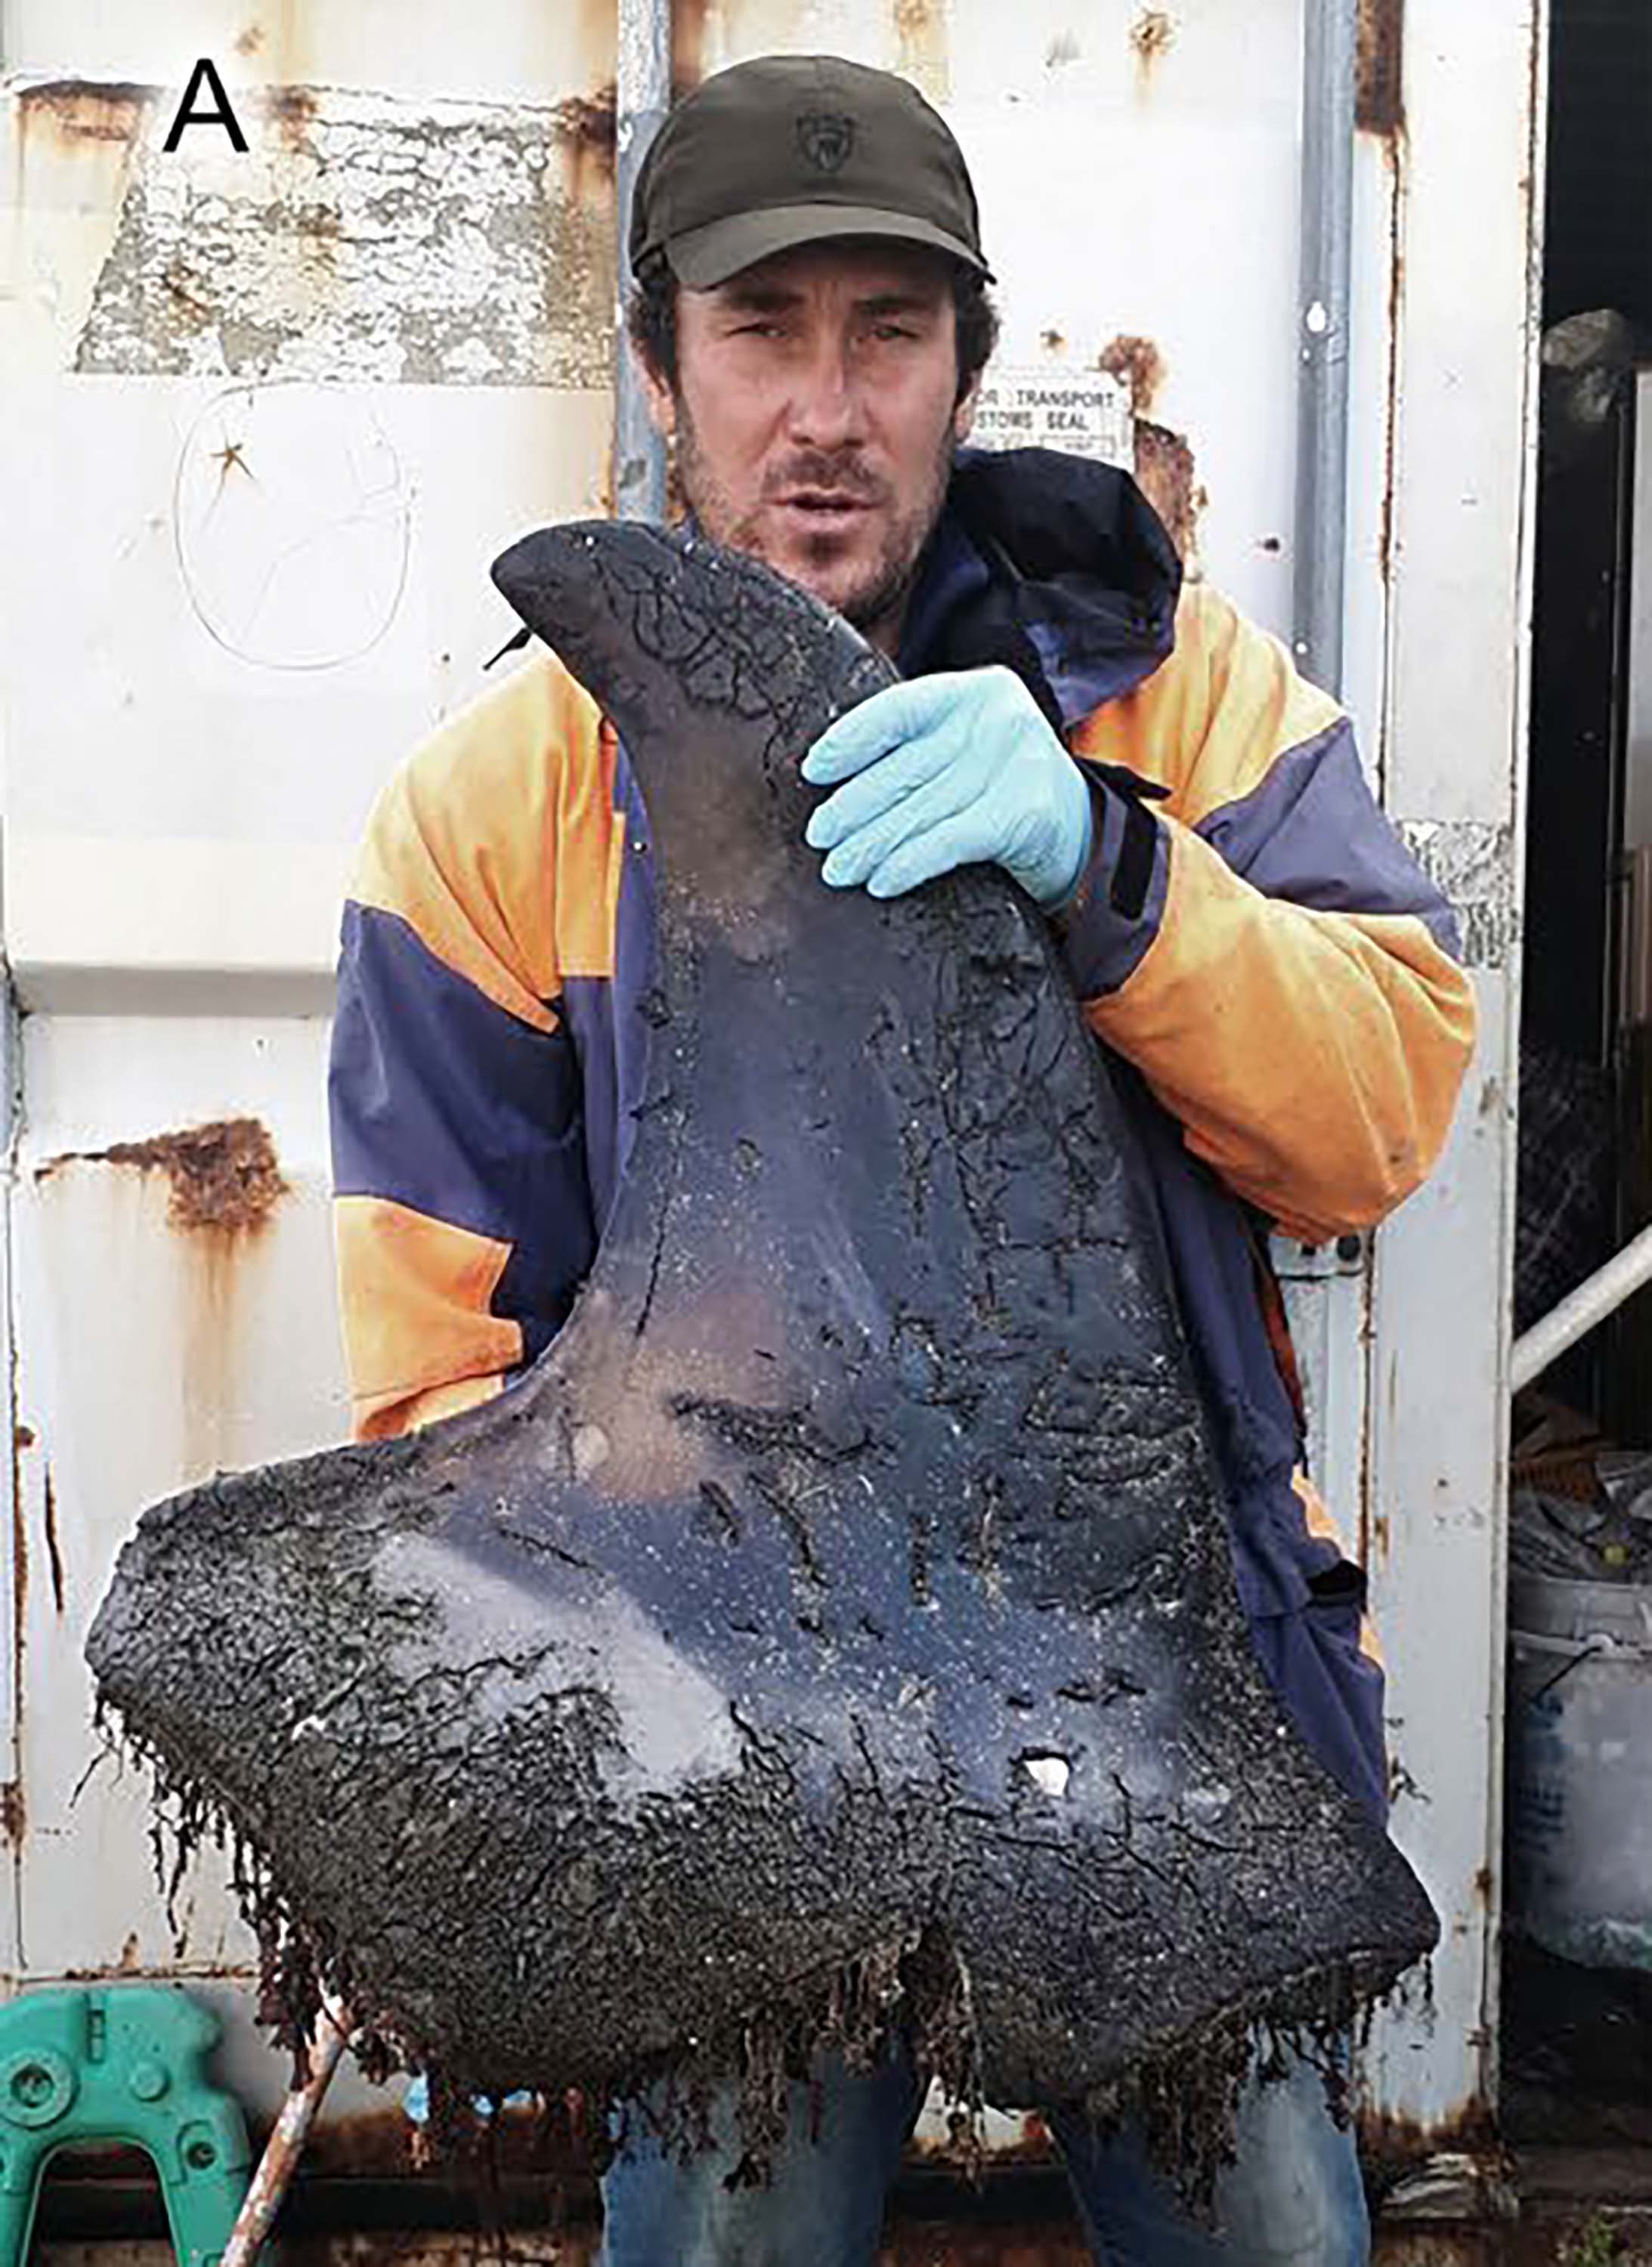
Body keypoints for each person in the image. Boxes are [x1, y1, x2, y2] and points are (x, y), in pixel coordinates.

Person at [327, 52, 1476, 2267]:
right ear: (662, 362)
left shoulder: (1176, 701)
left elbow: (1381, 1118)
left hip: (1152, 1682)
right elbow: (435, 1385)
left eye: (888, 332)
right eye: (762, 333)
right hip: (723, 1718)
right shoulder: (490, 813)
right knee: (730, 2238)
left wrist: (1107, 864)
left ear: (964, 363)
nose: (823, 410)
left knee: (1263, 2226)